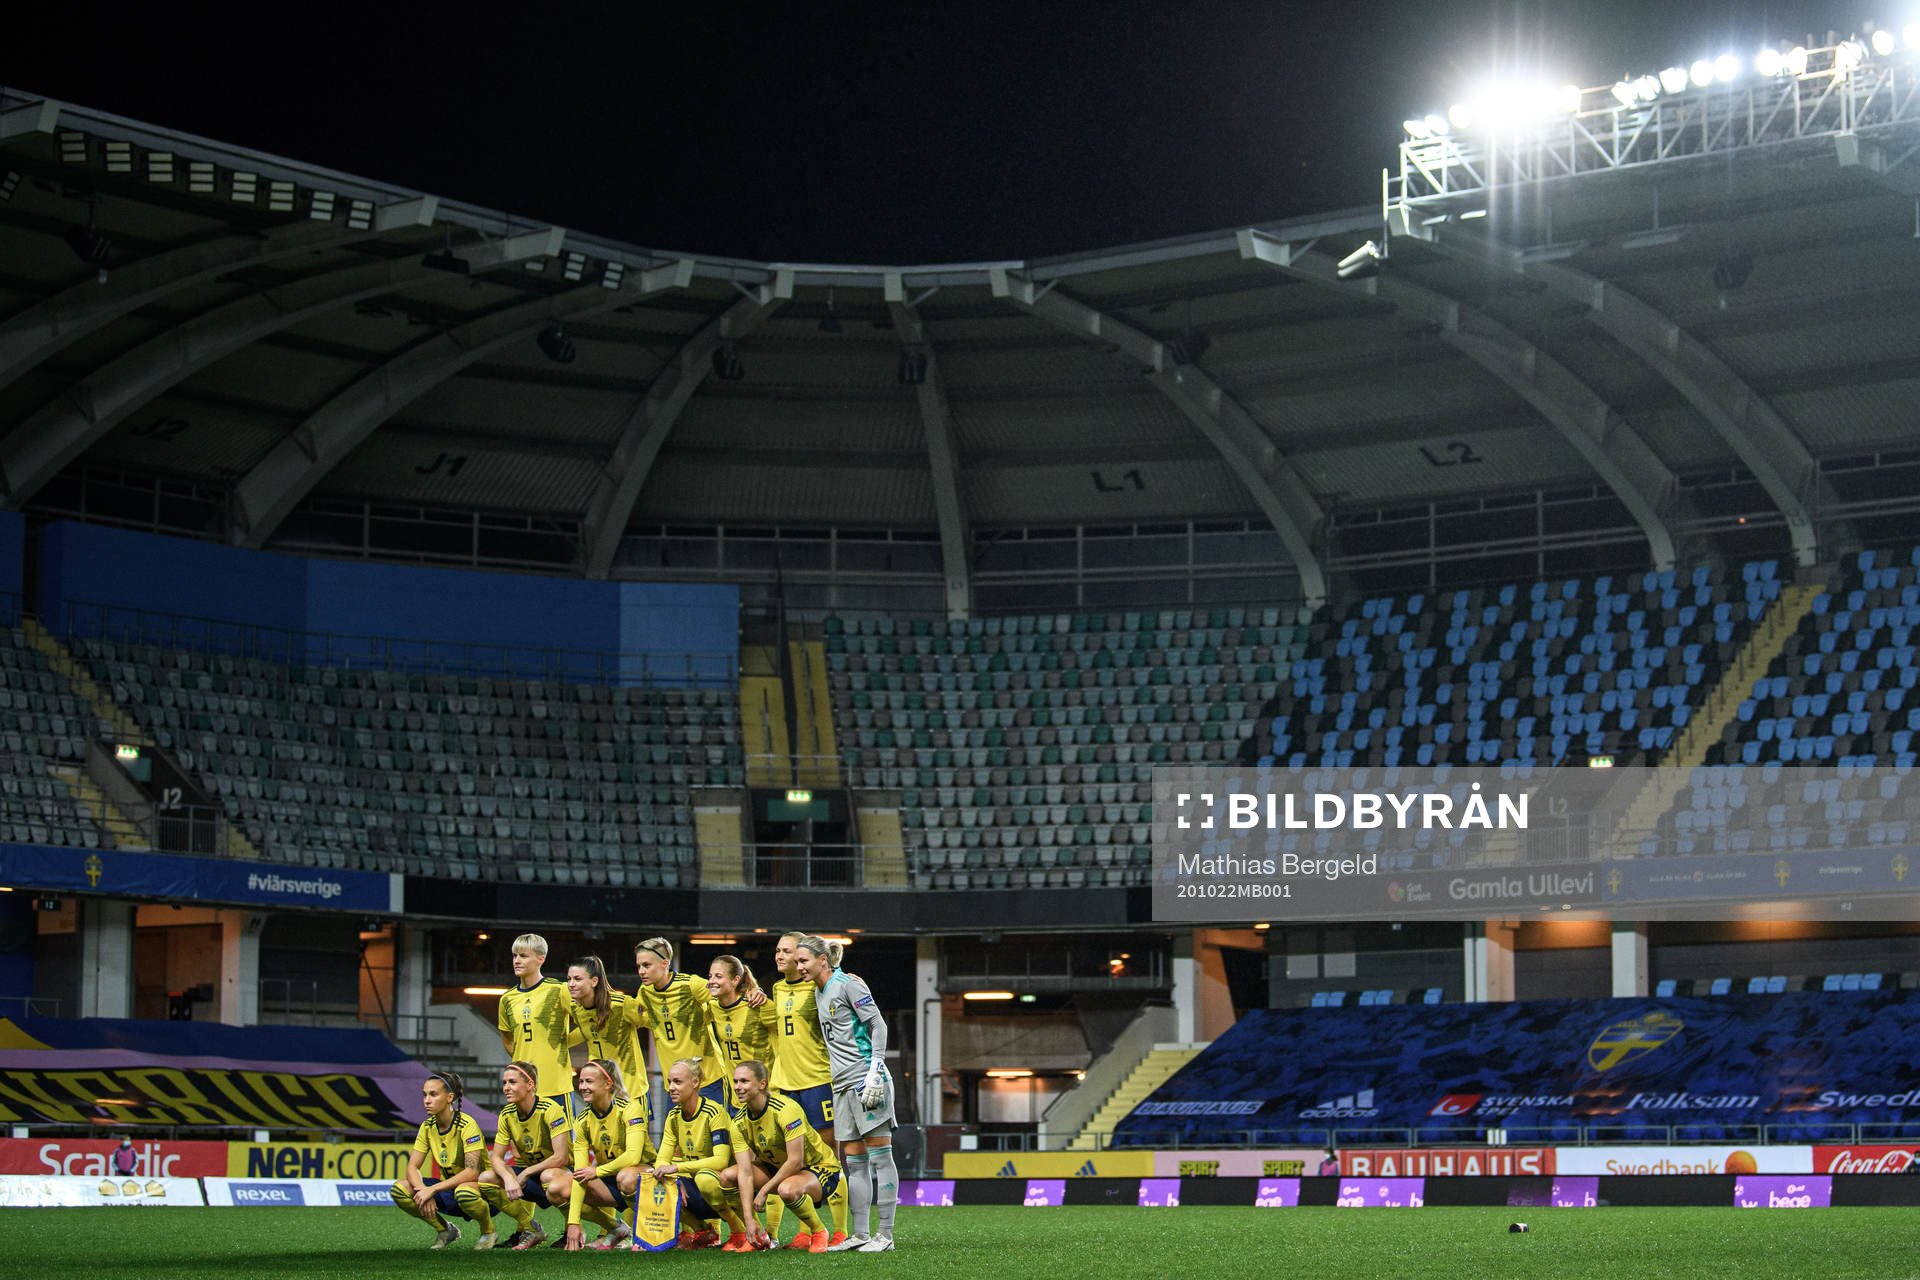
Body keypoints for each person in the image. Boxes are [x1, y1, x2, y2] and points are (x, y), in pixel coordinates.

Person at [797, 934, 897, 1252]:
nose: (798, 966)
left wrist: (876, 1069)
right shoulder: (818, 991)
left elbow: (878, 1024)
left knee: (882, 1158)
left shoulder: (849, 984)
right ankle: (861, 1234)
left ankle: (886, 1235)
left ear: (822, 961)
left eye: (803, 961)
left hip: (865, 1080)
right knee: (854, 1163)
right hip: (840, 1087)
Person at [767, 931, 844, 1245]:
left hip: (817, 1082)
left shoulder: (818, 988)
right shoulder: (776, 988)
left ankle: (839, 1231)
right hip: (786, 1085)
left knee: (827, 1158)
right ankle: (806, 1230)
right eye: (778, 951)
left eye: (788, 952)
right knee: (791, 1159)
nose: (780, 956)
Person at [724, 1058, 846, 1254]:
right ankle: (756, 1234)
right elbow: (745, 1172)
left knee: (787, 1189)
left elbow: (796, 1161)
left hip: (817, 1167)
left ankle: (818, 1231)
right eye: (736, 1081)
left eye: (744, 1081)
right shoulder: (737, 1123)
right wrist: (749, 1219)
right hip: (779, 1168)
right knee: (727, 1176)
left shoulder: (786, 1110)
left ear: (762, 1084)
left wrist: (764, 1190)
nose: (738, 1087)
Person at [632, 937, 764, 1107]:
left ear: (665, 964)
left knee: (715, 1133)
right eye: (639, 966)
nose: (641, 971)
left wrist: (753, 989)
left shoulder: (691, 985)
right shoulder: (645, 992)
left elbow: (727, 992)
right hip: (673, 1084)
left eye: (647, 965)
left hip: (707, 1081)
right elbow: (638, 1016)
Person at [650, 1056, 754, 1251]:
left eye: (677, 1082)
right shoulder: (673, 1116)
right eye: (669, 1082)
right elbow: (661, 1160)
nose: (671, 1087)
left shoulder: (713, 1112)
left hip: (726, 1187)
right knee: (655, 1180)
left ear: (695, 1082)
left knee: (705, 1178)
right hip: (697, 1187)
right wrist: (674, 1178)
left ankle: (739, 1230)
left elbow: (720, 1161)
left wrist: (677, 1168)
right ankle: (703, 1231)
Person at [388, 1070, 497, 1250]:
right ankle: (445, 1230)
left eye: (433, 1094)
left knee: (464, 1192)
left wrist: (432, 1189)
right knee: (400, 1189)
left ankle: (488, 1231)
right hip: (450, 1190)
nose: (426, 1100)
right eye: (424, 1095)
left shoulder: (467, 1125)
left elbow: (472, 1172)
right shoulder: (427, 1126)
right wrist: (423, 1191)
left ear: (449, 1097)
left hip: (483, 1194)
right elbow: (412, 1167)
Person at [554, 1058, 651, 1252]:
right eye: (581, 1081)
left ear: (608, 1084)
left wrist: (597, 1171)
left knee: (626, 1176)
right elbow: (582, 1173)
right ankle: (615, 1228)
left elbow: (633, 1156)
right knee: (557, 1188)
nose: (582, 1087)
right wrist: (573, 1222)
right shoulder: (582, 1121)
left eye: (589, 1081)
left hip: (644, 1175)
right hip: (609, 1179)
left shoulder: (630, 1109)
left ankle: (645, 1233)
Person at [481, 1061, 571, 1251]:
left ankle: (578, 1226)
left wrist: (525, 1173)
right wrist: (508, 1178)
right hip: (533, 1175)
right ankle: (531, 1228)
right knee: (486, 1178)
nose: (506, 1088)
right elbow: (496, 1157)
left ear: (530, 1085)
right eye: (504, 1083)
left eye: (512, 1082)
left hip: (565, 1175)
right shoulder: (506, 1114)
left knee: (549, 1176)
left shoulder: (550, 1109)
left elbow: (560, 1157)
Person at [497, 933, 575, 1115]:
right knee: (524, 1142)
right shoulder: (507, 999)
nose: (517, 960)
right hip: (523, 1090)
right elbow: (507, 1038)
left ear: (541, 959)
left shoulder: (559, 990)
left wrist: (562, 1042)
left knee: (562, 1144)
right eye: (515, 955)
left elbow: (587, 1023)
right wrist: (520, 1058)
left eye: (523, 956)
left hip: (556, 1087)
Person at [566, 955, 646, 1100]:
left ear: (594, 981)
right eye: (569, 979)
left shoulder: (621, 1005)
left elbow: (653, 1021)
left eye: (577, 979)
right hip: (599, 1092)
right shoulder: (576, 1009)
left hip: (631, 1090)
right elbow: (588, 1031)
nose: (571, 984)